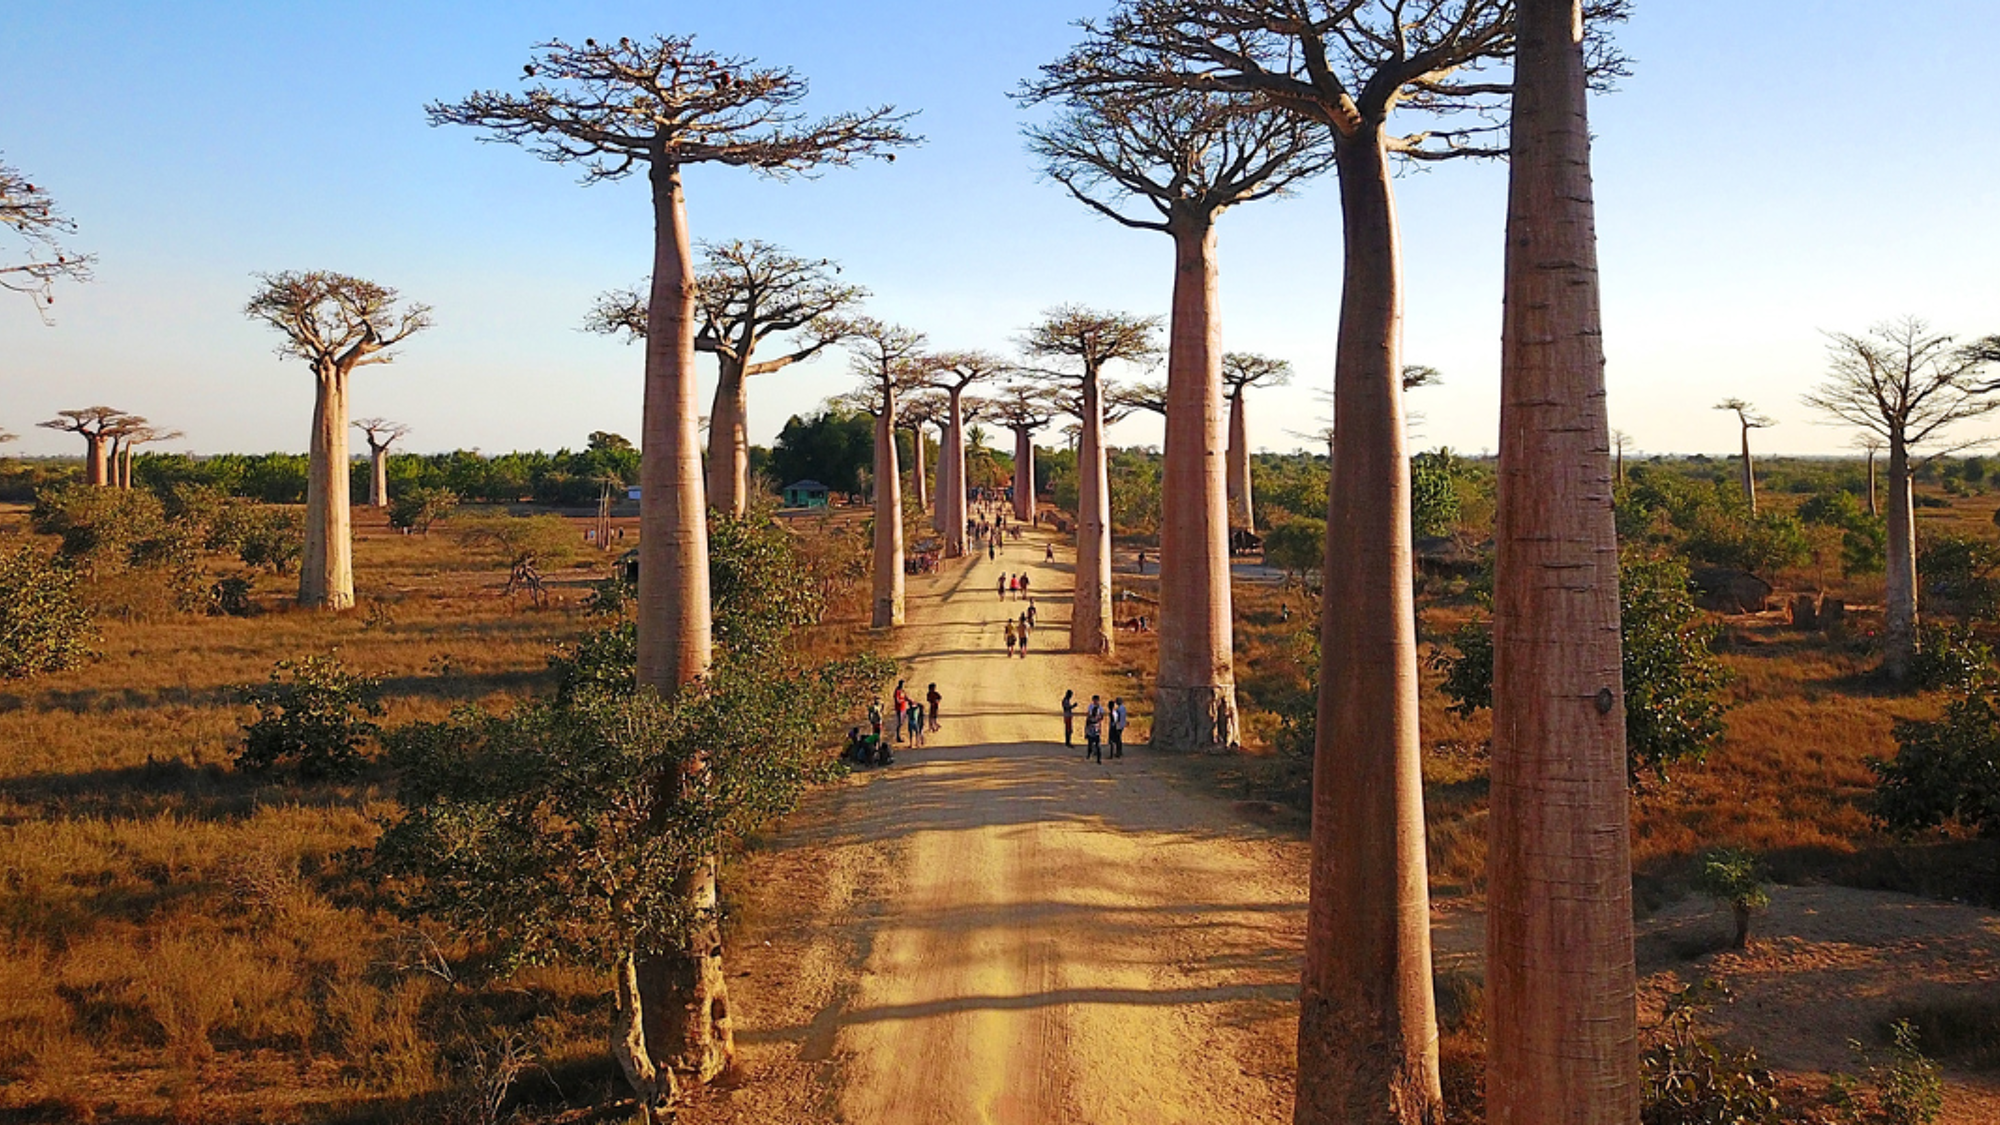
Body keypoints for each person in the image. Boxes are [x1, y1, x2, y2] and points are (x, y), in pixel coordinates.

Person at [1084, 694, 1105, 763]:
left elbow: (1101, 717)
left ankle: (1098, 758)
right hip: (1093, 730)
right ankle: (1090, 754)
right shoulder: (1091, 708)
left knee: (1097, 744)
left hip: (1095, 730)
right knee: (1091, 744)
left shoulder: (1100, 709)